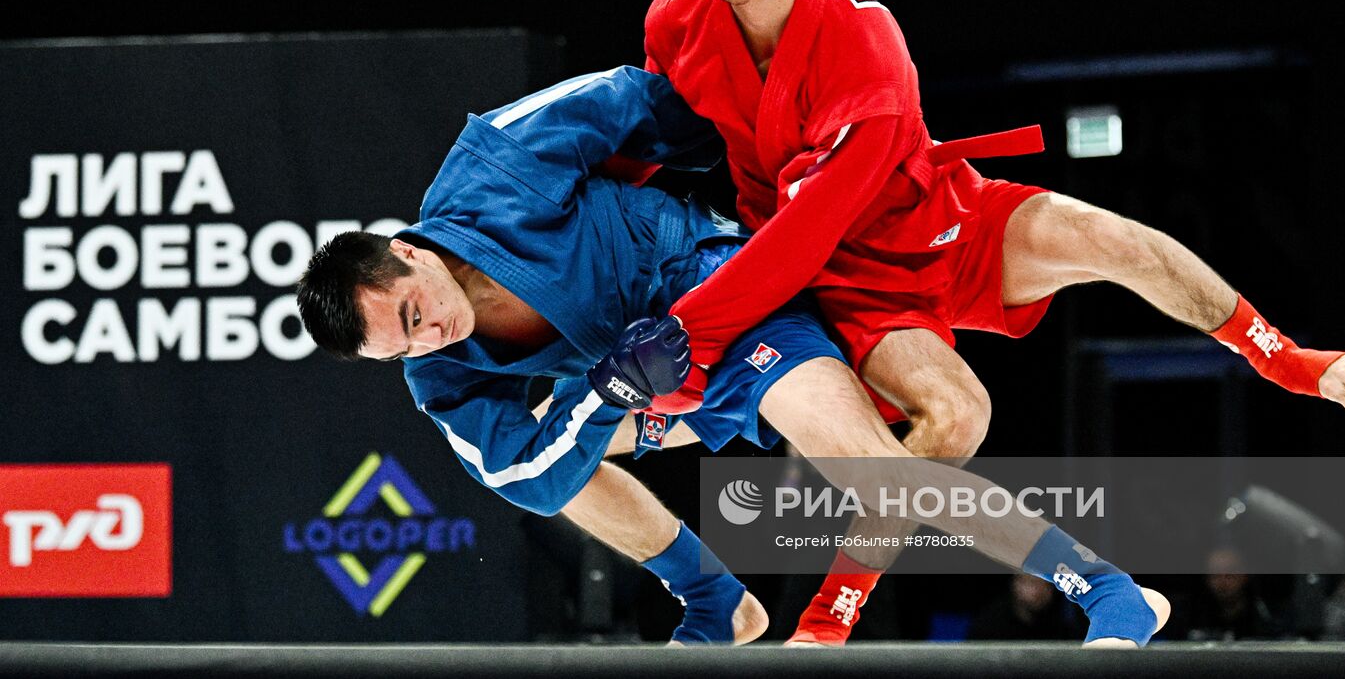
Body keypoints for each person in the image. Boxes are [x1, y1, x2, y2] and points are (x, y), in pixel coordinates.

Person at [640, 0, 1345, 645]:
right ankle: (831, 616)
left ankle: (1279, 355)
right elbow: (653, 140)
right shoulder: (678, 13)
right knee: (957, 416)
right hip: (850, 282)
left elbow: (796, 240)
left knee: (1118, 240)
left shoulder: (865, 47)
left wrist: (681, 335)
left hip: (930, 217)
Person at [296, 67, 1170, 648]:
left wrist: (763, 174)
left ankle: (1103, 587)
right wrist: (605, 397)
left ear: (405, 249)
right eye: (400, 345)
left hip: (715, 295)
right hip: (639, 380)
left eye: (413, 312)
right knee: (551, 462)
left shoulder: (492, 167)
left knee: (868, 467)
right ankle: (715, 596)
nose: (427, 336)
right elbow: (527, 472)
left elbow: (642, 97)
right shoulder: (436, 371)